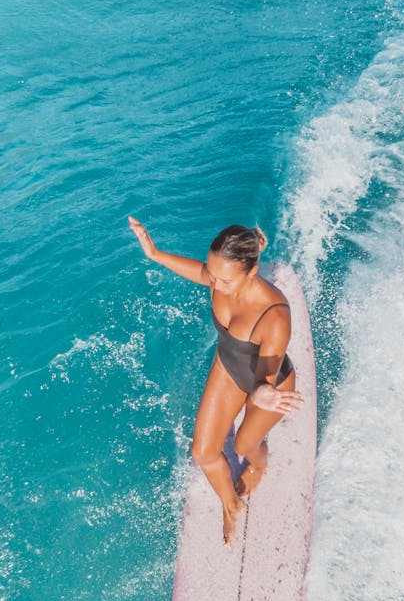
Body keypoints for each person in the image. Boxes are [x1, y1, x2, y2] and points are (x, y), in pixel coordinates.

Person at [128, 216, 303, 543]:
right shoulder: (218, 277)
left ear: (251, 272)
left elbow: (265, 372)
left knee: (244, 445)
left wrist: (262, 393)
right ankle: (230, 504)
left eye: (224, 281)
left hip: (268, 387)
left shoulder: (274, 314)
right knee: (204, 453)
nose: (214, 285)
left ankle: (259, 465)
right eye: (214, 276)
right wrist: (154, 253)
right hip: (228, 367)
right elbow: (199, 272)